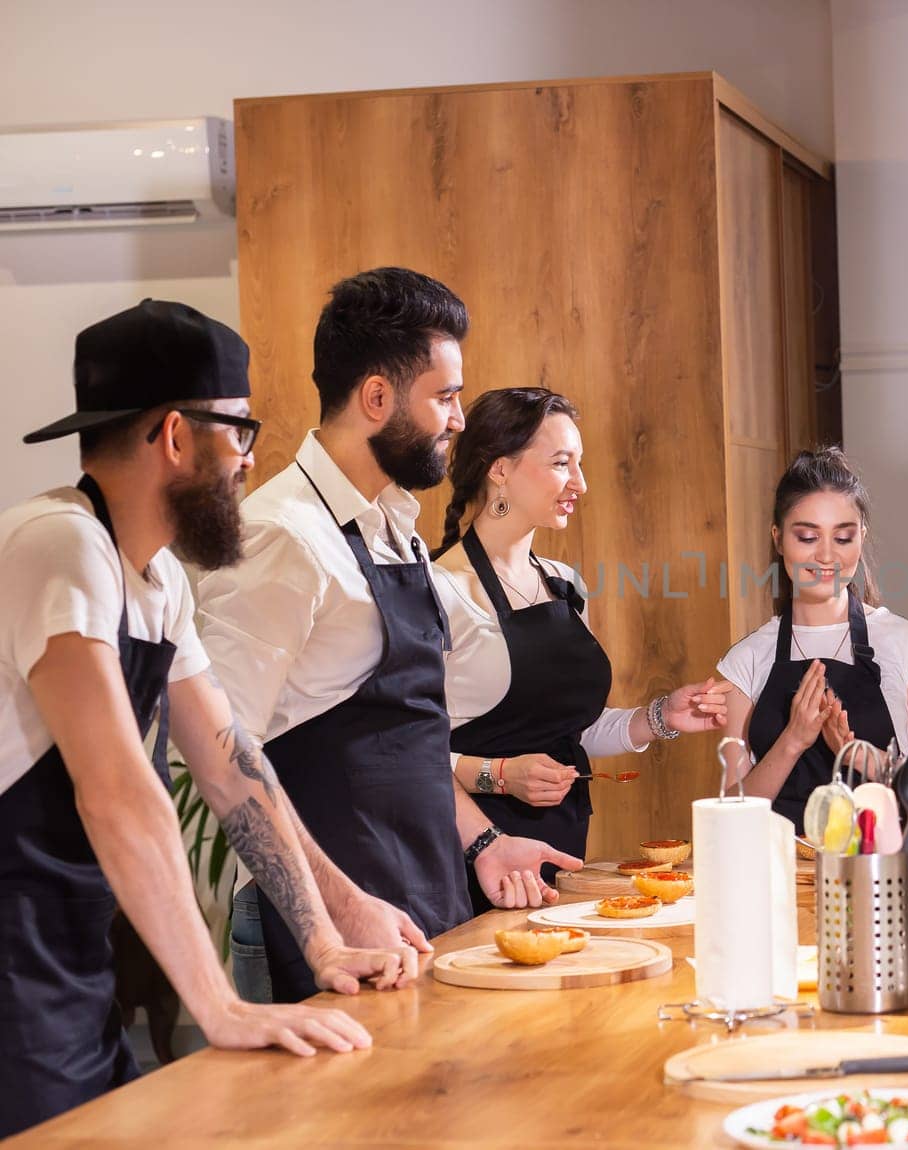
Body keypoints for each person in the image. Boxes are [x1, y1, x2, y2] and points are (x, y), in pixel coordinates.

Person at [0, 301, 407, 1137]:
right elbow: (116, 792)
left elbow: (230, 768)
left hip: (65, 953)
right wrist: (220, 1006)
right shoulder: (58, 544)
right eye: (240, 430)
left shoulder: (157, 582)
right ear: (177, 437)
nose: (249, 460)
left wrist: (326, 935)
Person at [196, 269, 580, 1003]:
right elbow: (223, 764)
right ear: (377, 399)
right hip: (326, 938)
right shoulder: (282, 538)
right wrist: (338, 911)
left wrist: (485, 843)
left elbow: (410, 737)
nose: (460, 419)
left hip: (421, 905)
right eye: (445, 396)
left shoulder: (394, 529)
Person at [432, 388, 731, 906]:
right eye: (561, 463)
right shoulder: (438, 589)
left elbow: (571, 732)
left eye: (581, 463)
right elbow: (405, 749)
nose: (580, 483)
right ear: (499, 469)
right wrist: (499, 776)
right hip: (467, 858)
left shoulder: (563, 584)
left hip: (556, 858)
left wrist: (661, 717)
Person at [718, 447, 908, 831]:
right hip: (780, 874)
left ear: (862, 538)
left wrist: (857, 755)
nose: (826, 555)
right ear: (778, 538)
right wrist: (793, 740)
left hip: (879, 873)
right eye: (808, 537)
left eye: (842, 538)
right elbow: (729, 815)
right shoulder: (745, 660)